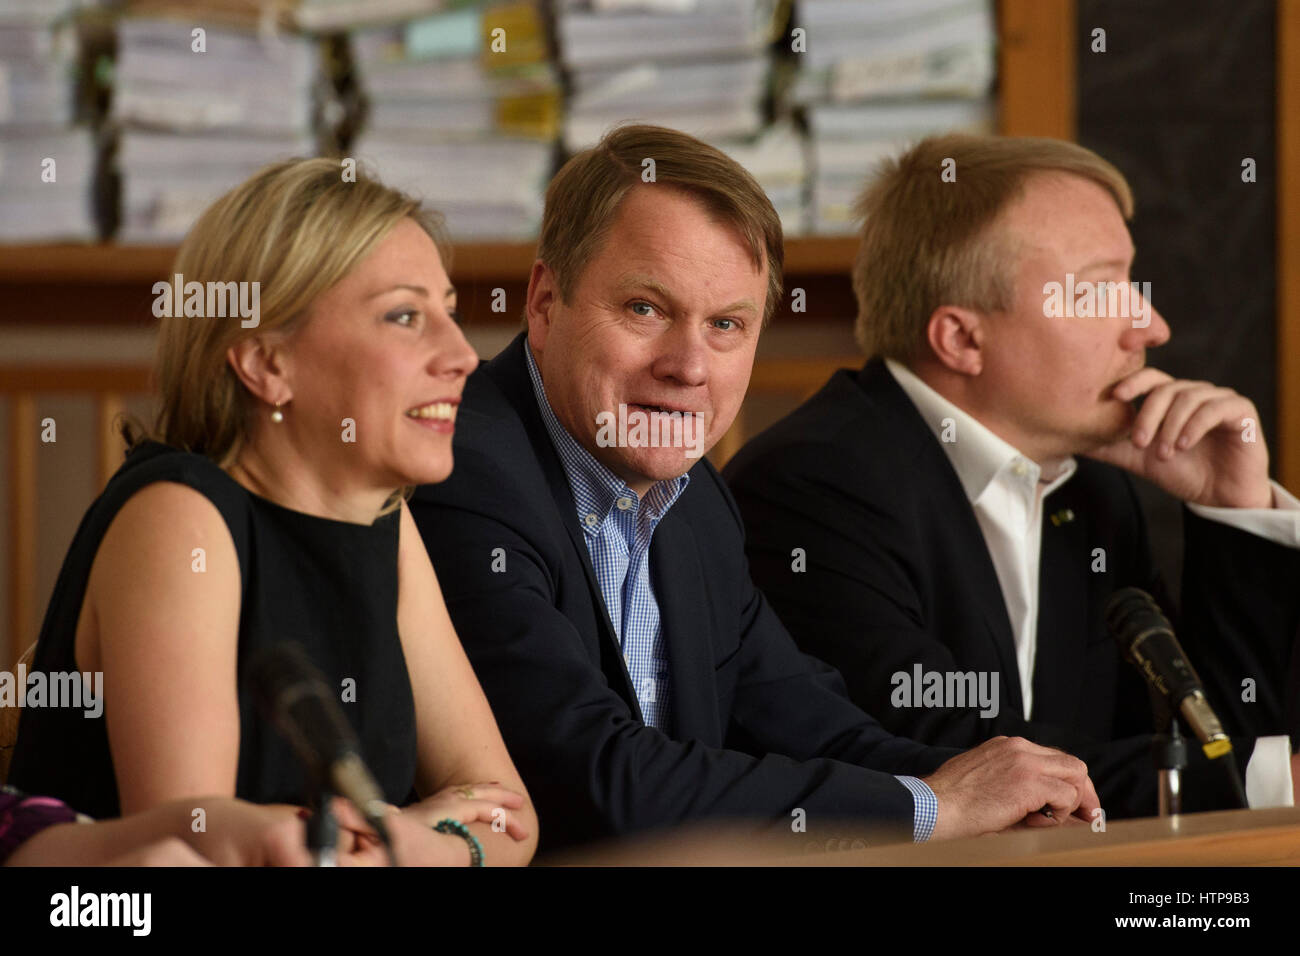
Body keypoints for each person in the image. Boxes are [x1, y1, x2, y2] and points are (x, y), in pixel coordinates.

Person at [409, 123, 1101, 855]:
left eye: (727, 325)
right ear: (547, 304)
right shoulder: (462, 470)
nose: (688, 366)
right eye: (646, 309)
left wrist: (999, 793)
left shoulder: (694, 498)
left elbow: (814, 726)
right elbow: (595, 782)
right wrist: (932, 807)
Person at [724, 134, 1300, 819]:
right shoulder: (812, 484)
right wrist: (1278, 779)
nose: (1150, 325)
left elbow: (1201, 742)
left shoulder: (1093, 493)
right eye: (1098, 290)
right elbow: (946, 759)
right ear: (963, 339)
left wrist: (1233, 510)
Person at [7, 158, 538, 866]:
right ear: (266, 364)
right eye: (406, 316)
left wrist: (398, 845)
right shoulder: (179, 517)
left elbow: (511, 820)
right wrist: (414, 834)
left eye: (450, 311)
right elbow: (202, 845)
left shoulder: (383, 516)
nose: (464, 355)